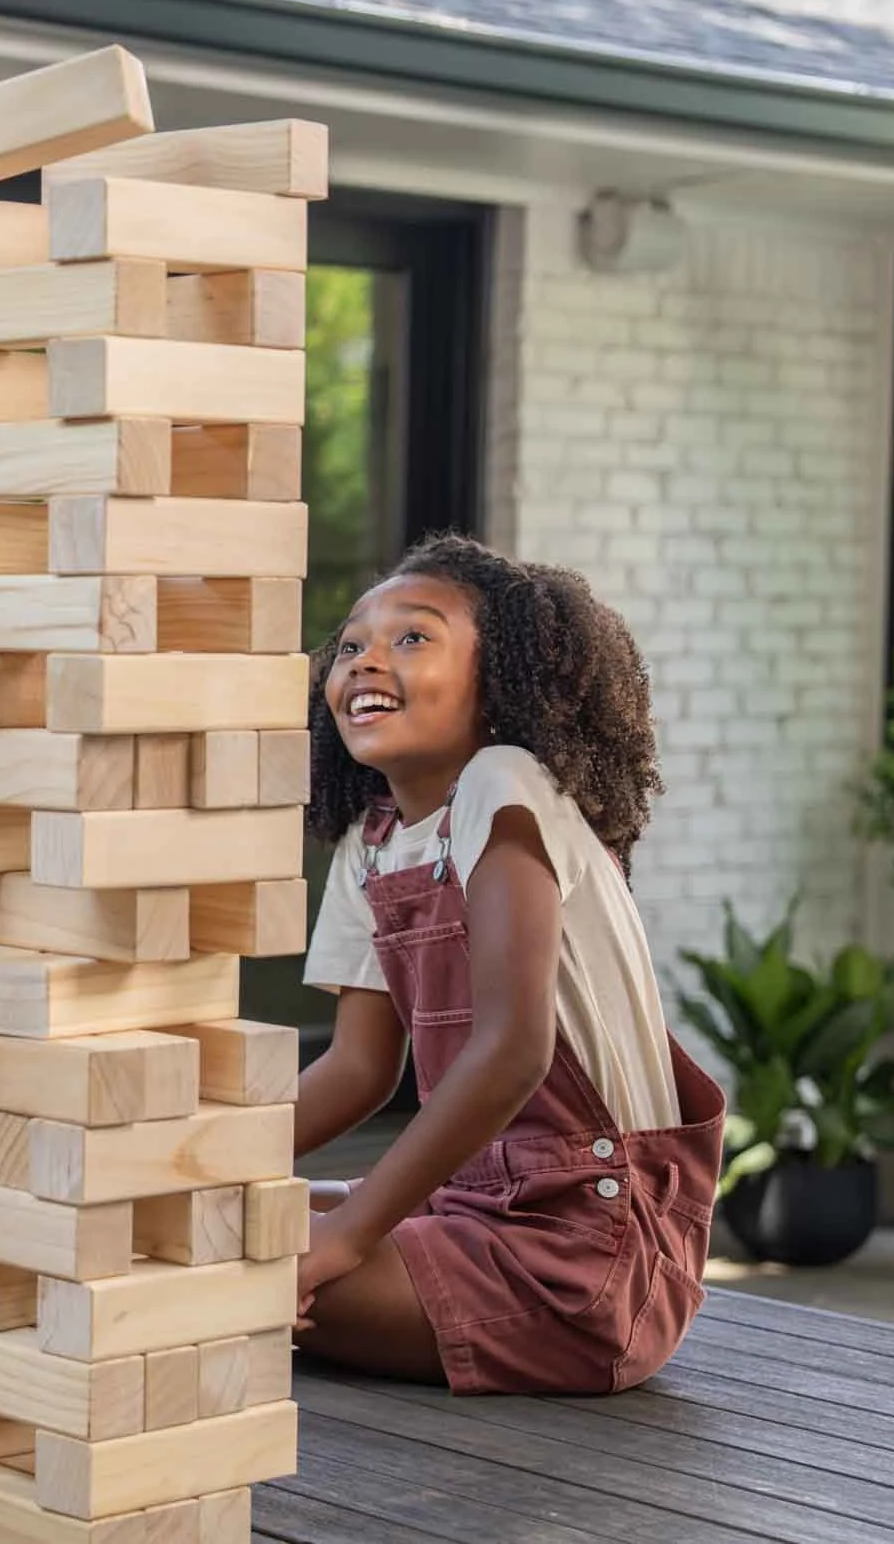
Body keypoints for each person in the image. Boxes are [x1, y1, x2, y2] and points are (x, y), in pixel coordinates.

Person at [290, 532, 726, 1395]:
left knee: (217, 1270)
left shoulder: (505, 780)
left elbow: (514, 1050)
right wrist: (189, 1167)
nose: (367, 659)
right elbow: (357, 1067)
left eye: (412, 637)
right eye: (350, 646)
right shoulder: (370, 841)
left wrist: (342, 1238)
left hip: (588, 1250)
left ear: (501, 682)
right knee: (196, 1224)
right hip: (471, 1204)